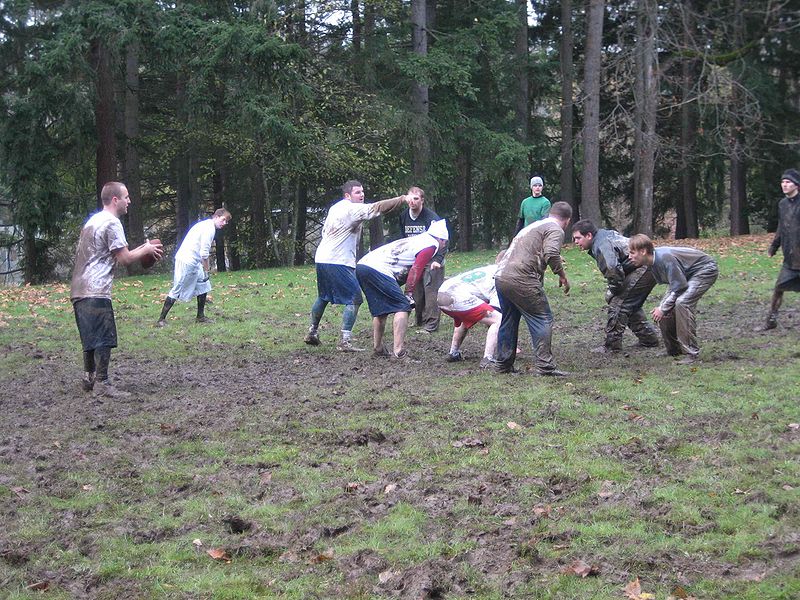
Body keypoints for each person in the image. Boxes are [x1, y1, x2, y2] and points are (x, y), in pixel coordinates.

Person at [71, 182, 163, 397]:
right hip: (96, 289)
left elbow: (115, 252)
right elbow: (125, 259)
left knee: (90, 337)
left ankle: (89, 378)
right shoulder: (112, 223)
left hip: (78, 289)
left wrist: (144, 248)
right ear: (115, 200)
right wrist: (147, 249)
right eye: (126, 197)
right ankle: (102, 383)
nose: (129, 201)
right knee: (104, 337)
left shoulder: (93, 221)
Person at [305, 180, 407, 351]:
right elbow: (377, 208)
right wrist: (402, 198)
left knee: (323, 296)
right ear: (347, 195)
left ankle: (312, 332)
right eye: (358, 193)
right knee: (354, 299)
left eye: (362, 192)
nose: (362, 195)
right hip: (338, 261)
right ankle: (345, 341)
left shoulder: (336, 207)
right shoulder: (351, 209)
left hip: (323, 258)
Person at [494, 201, 573, 376]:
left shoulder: (535, 225)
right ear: (567, 220)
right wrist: (561, 274)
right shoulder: (555, 229)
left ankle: (503, 365)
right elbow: (551, 252)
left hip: (501, 276)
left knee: (509, 319)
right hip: (521, 278)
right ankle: (545, 366)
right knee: (542, 317)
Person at [356, 220, 449, 358]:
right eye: (444, 242)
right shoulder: (432, 245)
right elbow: (416, 268)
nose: (444, 245)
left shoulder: (419, 239)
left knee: (381, 310)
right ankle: (399, 351)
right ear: (441, 239)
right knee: (403, 307)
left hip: (363, 265)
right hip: (379, 269)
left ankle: (378, 348)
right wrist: (409, 292)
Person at [627, 234, 718, 363]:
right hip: (686, 275)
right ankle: (674, 350)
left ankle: (691, 353)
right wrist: (662, 308)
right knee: (665, 308)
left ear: (643, 251)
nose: (629, 257)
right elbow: (674, 285)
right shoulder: (652, 263)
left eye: (632, 252)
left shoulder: (664, 258)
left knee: (682, 303)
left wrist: (663, 308)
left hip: (705, 270)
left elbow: (679, 287)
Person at [572, 220, 660, 352]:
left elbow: (613, 269)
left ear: (589, 235)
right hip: (645, 266)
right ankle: (648, 339)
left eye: (578, 238)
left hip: (642, 266)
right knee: (629, 303)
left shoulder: (601, 244)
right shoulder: (604, 236)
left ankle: (612, 345)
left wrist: (613, 290)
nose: (575, 242)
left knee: (618, 303)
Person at [157, 208, 232, 327]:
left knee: (204, 285)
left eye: (226, 222)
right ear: (216, 216)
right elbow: (204, 253)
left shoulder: (206, 225)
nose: (224, 223)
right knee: (177, 289)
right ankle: (161, 320)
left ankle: (200, 317)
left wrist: (204, 269)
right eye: (223, 220)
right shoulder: (209, 229)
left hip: (195, 262)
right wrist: (207, 269)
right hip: (186, 261)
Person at [398, 186, 446, 333]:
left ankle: (431, 325)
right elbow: (403, 238)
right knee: (416, 291)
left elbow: (443, 240)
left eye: (416, 198)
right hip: (415, 258)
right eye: (410, 198)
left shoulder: (431, 218)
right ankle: (419, 320)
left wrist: (438, 259)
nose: (412, 202)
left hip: (433, 259)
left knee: (431, 291)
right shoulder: (404, 216)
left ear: (422, 200)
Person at [437, 262, 501, 368]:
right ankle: (488, 359)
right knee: (499, 320)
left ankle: (453, 353)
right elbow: (495, 308)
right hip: (458, 296)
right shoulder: (500, 276)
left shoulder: (489, 269)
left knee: (466, 317)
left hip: (442, 294)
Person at [760, 168, 800, 331]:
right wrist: (774, 246)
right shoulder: (782, 204)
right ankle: (771, 321)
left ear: (796, 185)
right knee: (778, 289)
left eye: (788, 182)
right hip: (790, 259)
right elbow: (781, 227)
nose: (784, 184)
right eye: (783, 181)